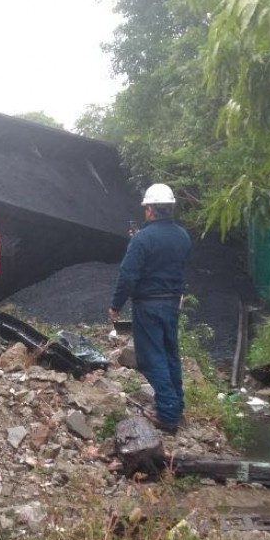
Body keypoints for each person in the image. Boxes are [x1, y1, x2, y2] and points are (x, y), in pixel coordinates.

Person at [109, 183, 192, 434]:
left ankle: (167, 413)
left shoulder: (142, 239)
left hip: (148, 304)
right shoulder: (182, 236)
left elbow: (128, 275)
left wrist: (116, 305)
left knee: (150, 357)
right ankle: (176, 405)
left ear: (151, 209)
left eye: (146, 208)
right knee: (169, 353)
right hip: (172, 302)